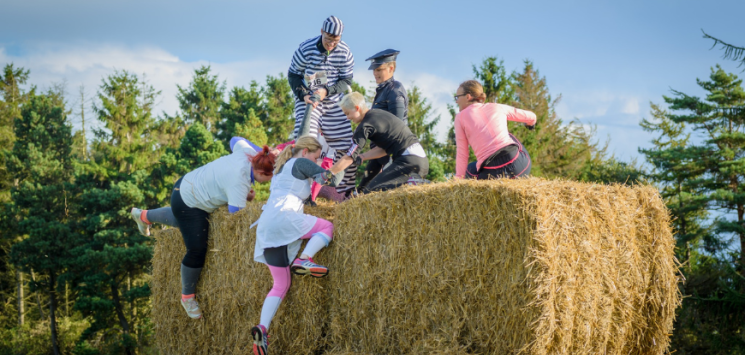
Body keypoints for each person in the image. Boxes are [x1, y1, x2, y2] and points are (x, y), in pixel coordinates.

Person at [130, 137, 274, 319]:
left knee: (183, 221)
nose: (269, 182)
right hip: (189, 202)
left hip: (185, 184)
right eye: (270, 177)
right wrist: (244, 196)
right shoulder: (239, 180)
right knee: (197, 248)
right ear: (262, 172)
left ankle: (143, 216)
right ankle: (187, 297)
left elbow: (234, 139)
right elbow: (236, 217)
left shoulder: (252, 154)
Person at [249, 136, 341, 355]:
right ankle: (305, 258)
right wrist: (344, 163)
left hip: (267, 225)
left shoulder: (282, 171)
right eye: (316, 157)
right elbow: (332, 181)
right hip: (285, 216)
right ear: (305, 151)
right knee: (327, 227)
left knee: (280, 284)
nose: (316, 162)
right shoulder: (300, 162)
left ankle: (262, 329)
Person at [287, 15, 357, 200]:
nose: (331, 45)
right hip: (308, 99)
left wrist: (327, 90)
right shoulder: (305, 48)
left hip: (333, 100)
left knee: (346, 145)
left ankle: (346, 192)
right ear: (321, 32)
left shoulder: (345, 52)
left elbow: (346, 80)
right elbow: (293, 75)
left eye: (335, 41)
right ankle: (303, 194)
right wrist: (304, 95)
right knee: (306, 143)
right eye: (328, 40)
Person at [328, 92, 428, 193]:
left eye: (347, 113)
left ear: (357, 108)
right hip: (421, 161)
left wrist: (329, 173)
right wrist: (363, 156)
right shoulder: (377, 114)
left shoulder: (365, 125)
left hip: (408, 161)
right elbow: (383, 150)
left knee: (371, 193)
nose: (347, 118)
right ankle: (414, 183)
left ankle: (413, 183)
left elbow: (350, 156)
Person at [453, 80, 536, 180]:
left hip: (492, 175)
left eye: (457, 97)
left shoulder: (460, 118)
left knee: (470, 169)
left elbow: (462, 152)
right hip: (519, 167)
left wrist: (458, 179)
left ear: (468, 97)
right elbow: (531, 116)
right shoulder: (496, 107)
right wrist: (531, 124)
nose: (456, 101)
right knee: (509, 136)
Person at [358, 49, 409, 191]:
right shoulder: (383, 89)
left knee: (371, 191)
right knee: (361, 191)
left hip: (390, 153)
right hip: (378, 151)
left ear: (391, 68)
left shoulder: (395, 91)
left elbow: (397, 129)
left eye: (379, 69)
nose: (375, 73)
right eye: (374, 69)